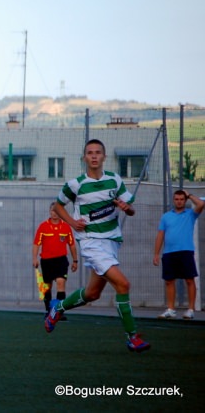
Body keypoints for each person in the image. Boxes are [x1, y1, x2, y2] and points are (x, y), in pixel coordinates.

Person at [45, 139, 150, 353]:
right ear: (84, 157)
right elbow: (58, 204)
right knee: (123, 285)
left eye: (98, 152)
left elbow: (131, 210)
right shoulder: (76, 184)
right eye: (90, 153)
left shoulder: (115, 180)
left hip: (111, 242)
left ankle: (57, 309)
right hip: (91, 243)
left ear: (104, 156)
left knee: (93, 293)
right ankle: (132, 337)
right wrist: (72, 222)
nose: (94, 156)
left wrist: (125, 208)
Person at [153, 190, 204, 320]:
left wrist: (190, 195)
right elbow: (160, 235)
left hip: (186, 251)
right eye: (176, 199)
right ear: (173, 200)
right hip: (169, 253)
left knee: (189, 280)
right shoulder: (166, 216)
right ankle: (171, 309)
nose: (179, 201)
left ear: (185, 200)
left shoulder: (191, 214)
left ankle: (190, 310)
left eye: (182, 199)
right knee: (169, 281)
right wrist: (156, 253)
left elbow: (201, 204)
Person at [32, 202, 78, 318]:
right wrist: (34, 258)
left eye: (57, 211)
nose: (55, 213)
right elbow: (36, 244)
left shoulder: (66, 227)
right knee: (47, 286)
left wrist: (75, 260)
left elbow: (72, 245)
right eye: (53, 211)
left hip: (61, 260)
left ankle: (59, 312)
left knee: (61, 283)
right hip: (46, 261)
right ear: (49, 212)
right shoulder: (43, 226)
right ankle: (48, 311)